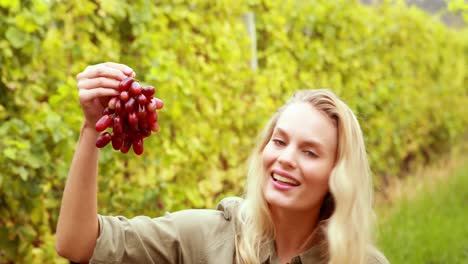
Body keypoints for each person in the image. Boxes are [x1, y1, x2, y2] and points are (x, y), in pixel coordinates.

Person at [55, 62, 389, 264]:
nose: (286, 159)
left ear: (338, 175)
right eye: (280, 141)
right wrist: (91, 129)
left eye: (310, 152)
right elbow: (78, 244)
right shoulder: (209, 236)